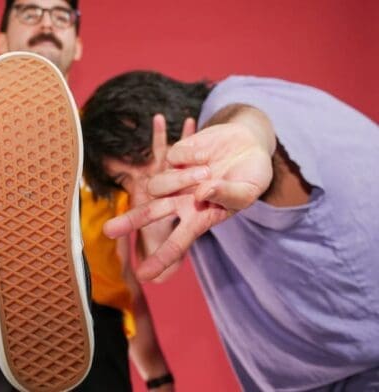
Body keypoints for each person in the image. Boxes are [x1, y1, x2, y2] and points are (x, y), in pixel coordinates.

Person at [0, 1, 173, 391]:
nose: (46, 22)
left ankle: (53, 288)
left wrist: (158, 374)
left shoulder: (105, 143)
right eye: (30, 12)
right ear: (1, 39)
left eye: (61, 15)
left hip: (97, 332)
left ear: (77, 44)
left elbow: (125, 272)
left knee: (89, 292)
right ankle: (12, 275)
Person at [81, 70, 379, 391]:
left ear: (174, 117)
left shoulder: (228, 107)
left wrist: (247, 136)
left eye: (141, 157)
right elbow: (159, 265)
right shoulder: (192, 193)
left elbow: (247, 122)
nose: (142, 181)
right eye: (124, 179)